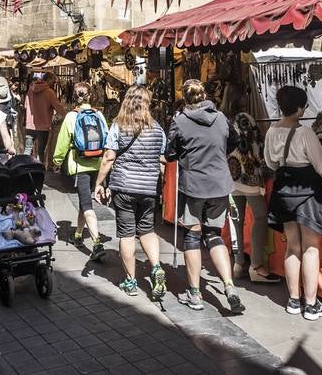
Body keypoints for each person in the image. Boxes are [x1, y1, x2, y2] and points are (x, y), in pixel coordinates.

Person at [166, 79, 243, 313]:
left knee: (192, 236)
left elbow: (170, 154)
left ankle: (195, 293)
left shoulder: (179, 121)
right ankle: (229, 285)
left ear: (185, 98)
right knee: (214, 235)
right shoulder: (221, 118)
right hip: (220, 184)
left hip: (193, 186)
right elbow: (235, 140)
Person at [265, 84, 322, 320]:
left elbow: (271, 163)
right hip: (306, 190)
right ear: (300, 108)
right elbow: (320, 165)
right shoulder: (305, 133)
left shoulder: (271, 132)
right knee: (310, 248)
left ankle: (294, 300)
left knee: (292, 246)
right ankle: (311, 304)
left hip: (283, 188)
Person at [94, 85, 167, 300]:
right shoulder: (157, 128)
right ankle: (155, 268)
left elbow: (109, 157)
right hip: (148, 189)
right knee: (146, 230)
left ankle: (131, 281)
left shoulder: (119, 126)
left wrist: (99, 183)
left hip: (125, 187)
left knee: (126, 234)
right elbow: (163, 160)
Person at [52, 82, 108, 262]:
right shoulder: (99, 114)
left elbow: (62, 142)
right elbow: (107, 138)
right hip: (98, 165)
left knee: (87, 205)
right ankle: (77, 234)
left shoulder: (71, 117)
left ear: (74, 97)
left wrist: (56, 160)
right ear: (90, 96)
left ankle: (97, 242)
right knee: (84, 202)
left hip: (80, 166)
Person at [229, 111, 280, 283]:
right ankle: (256, 265)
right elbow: (256, 145)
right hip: (247, 173)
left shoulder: (223, 117)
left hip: (231, 173)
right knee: (260, 216)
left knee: (238, 218)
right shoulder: (244, 117)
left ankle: (239, 263)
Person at [24, 73, 65, 167]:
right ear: (49, 79)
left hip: (30, 124)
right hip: (43, 125)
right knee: (41, 151)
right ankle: (39, 169)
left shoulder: (30, 90)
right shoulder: (49, 92)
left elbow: (26, 105)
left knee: (28, 148)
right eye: (53, 80)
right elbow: (58, 107)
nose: (54, 82)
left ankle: (24, 167)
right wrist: (66, 115)